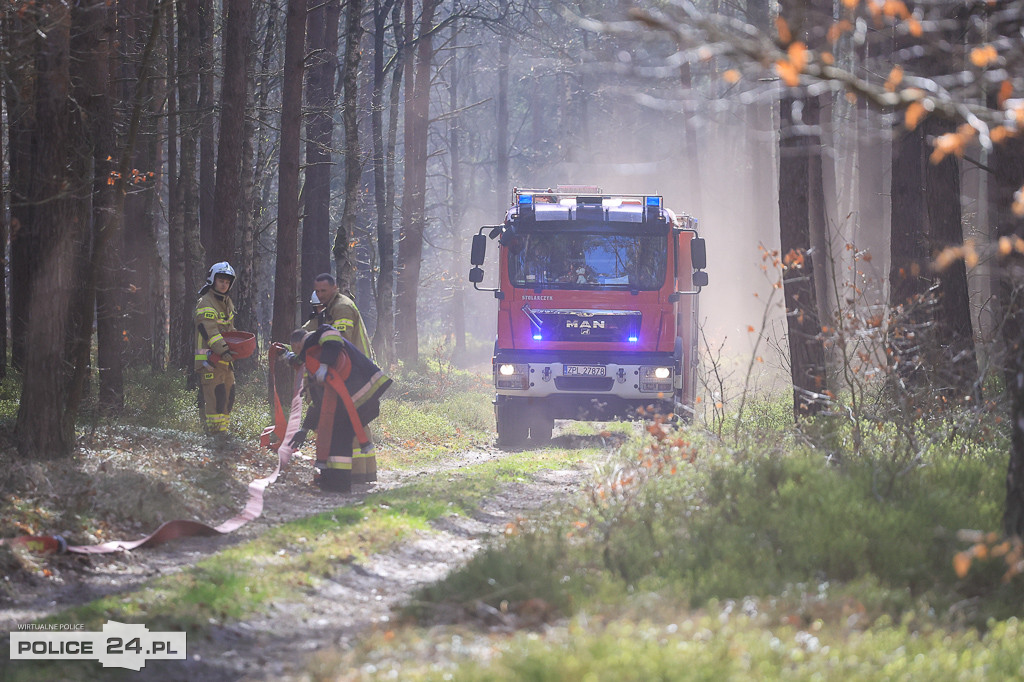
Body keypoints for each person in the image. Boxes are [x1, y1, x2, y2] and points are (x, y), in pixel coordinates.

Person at [285, 325, 392, 492]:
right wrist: (305, 429)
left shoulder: (318, 337)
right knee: (336, 437)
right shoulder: (314, 356)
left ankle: (338, 484)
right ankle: (332, 480)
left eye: (296, 350)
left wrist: (325, 365)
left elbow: (332, 337)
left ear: (298, 344)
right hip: (356, 400)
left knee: (338, 439)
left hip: (357, 398)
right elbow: (318, 403)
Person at [302, 273, 377, 483]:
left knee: (347, 423)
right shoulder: (331, 309)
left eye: (323, 291)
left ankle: (349, 474)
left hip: (350, 374)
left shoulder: (341, 308)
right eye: (317, 291)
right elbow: (312, 333)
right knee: (356, 421)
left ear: (334, 288)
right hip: (352, 372)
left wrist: (325, 366)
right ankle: (363, 473)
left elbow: (339, 343)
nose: (319, 295)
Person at [194, 261, 237, 435]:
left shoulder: (227, 302)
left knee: (229, 394)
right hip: (208, 358)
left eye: (227, 282)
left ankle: (223, 432)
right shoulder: (205, 302)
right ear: (213, 280)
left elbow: (230, 330)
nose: (224, 284)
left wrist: (238, 347)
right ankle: (213, 434)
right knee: (215, 396)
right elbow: (210, 331)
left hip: (224, 357)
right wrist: (224, 350)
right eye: (221, 280)